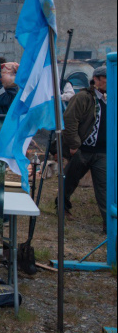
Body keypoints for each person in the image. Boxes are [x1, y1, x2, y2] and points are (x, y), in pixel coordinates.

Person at [61, 66, 108, 231]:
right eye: (106, 78)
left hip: (103, 151)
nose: (109, 82)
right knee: (70, 179)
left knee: (104, 187)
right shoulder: (83, 98)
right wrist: (74, 144)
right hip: (83, 148)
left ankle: (107, 222)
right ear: (96, 79)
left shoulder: (112, 98)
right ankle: (62, 205)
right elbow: (70, 120)